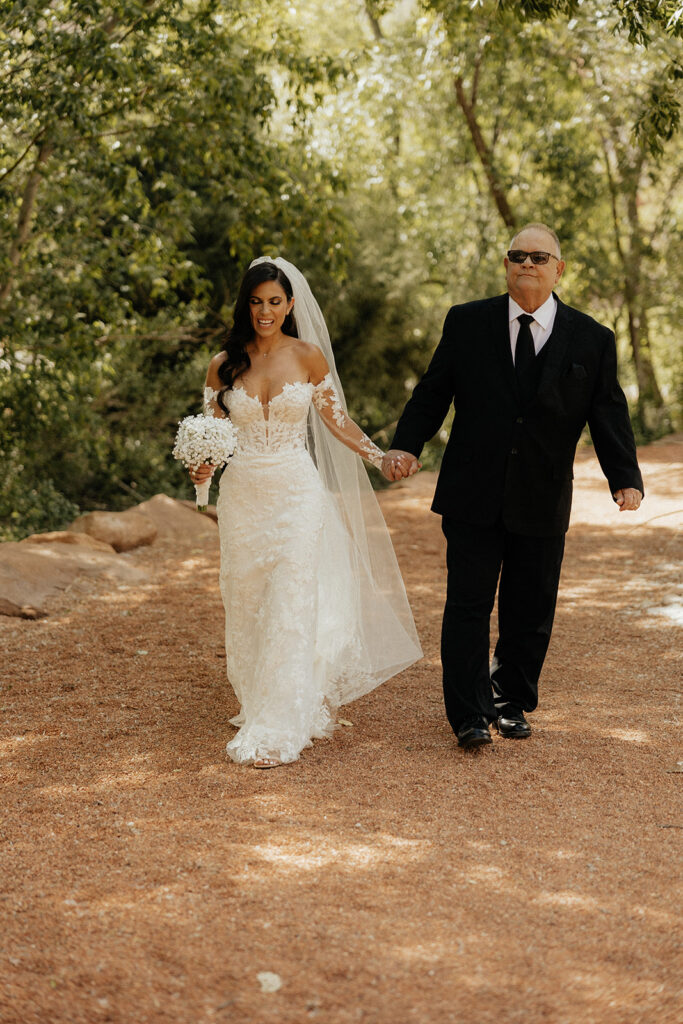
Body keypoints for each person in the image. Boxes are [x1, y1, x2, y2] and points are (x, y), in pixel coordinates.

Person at [384, 223, 643, 750]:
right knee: (468, 605)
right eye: (517, 255)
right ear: (506, 264)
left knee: (531, 605)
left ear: (558, 269)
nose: (527, 263)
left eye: (539, 257)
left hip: (544, 492)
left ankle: (510, 700)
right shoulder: (467, 322)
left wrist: (625, 478)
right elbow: (434, 392)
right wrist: (407, 444)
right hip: (472, 490)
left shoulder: (592, 338)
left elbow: (608, 410)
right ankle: (469, 714)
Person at [191, 257, 422, 768]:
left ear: (291, 305)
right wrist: (202, 469)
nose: (265, 311)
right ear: (245, 306)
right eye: (256, 302)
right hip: (245, 497)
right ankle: (258, 696)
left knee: (291, 600)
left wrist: (380, 456)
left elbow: (338, 422)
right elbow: (214, 438)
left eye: (275, 302)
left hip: (297, 494)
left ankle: (281, 717)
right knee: (247, 599)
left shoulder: (308, 357)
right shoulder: (222, 364)